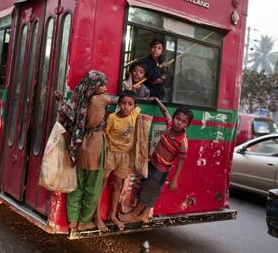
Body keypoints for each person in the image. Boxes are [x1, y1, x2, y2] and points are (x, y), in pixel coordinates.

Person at [58, 70, 117, 231]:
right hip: (95, 146)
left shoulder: (79, 99)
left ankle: (73, 220)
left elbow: (66, 110)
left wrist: (61, 98)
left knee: (78, 185)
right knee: (93, 187)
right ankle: (84, 222)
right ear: (93, 86)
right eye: (102, 85)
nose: (105, 88)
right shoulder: (101, 100)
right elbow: (122, 100)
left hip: (80, 145)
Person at [119, 97, 193, 223]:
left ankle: (134, 214)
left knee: (146, 192)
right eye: (177, 119)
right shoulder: (169, 126)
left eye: (183, 122)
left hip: (161, 171)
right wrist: (157, 100)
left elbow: (181, 163)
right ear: (174, 117)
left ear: (187, 125)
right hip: (153, 164)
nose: (178, 123)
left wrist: (174, 181)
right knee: (152, 193)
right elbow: (165, 112)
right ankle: (144, 215)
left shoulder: (182, 142)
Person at [95, 90, 141, 231]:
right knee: (101, 184)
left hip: (125, 156)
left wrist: (153, 98)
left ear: (134, 106)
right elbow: (105, 135)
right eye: (123, 103)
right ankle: (96, 216)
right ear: (118, 104)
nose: (126, 107)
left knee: (118, 185)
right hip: (111, 154)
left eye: (130, 104)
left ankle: (112, 215)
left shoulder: (135, 113)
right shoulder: (112, 118)